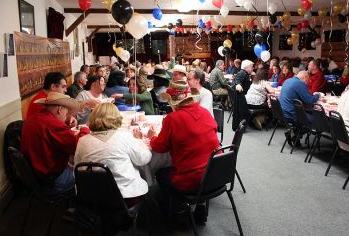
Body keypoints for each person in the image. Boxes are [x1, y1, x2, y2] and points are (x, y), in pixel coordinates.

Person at [147, 80, 219, 226]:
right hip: (214, 174)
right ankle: (200, 208)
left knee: (161, 173)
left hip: (191, 180)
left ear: (174, 103)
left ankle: (179, 212)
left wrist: (151, 137)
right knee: (199, 161)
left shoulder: (172, 118)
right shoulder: (205, 112)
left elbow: (160, 147)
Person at [75, 103, 151, 205]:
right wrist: (139, 141)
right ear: (117, 117)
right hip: (125, 196)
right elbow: (143, 160)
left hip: (92, 197)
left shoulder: (82, 141)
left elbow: (78, 169)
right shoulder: (125, 136)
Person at [21, 92, 89, 195]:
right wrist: (85, 129)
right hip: (53, 180)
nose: (66, 117)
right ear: (59, 109)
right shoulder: (53, 125)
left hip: (35, 177)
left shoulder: (32, 118)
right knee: (92, 174)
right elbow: (78, 146)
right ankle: (82, 206)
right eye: (66, 114)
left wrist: (66, 121)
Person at [232, 59, 254, 131]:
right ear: (246, 67)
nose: (252, 68)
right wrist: (238, 85)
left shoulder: (245, 73)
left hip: (242, 94)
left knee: (241, 112)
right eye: (251, 66)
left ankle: (240, 127)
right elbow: (237, 80)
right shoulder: (242, 73)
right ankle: (240, 127)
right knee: (242, 112)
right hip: (241, 95)